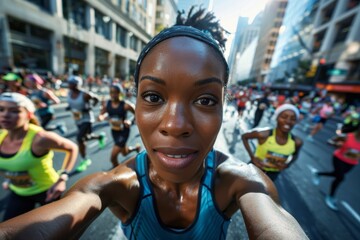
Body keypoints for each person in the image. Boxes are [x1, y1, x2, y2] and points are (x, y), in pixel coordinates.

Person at [0, 7, 308, 239]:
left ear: (224, 106)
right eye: (153, 96)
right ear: (135, 101)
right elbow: (81, 201)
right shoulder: (116, 184)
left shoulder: (242, 182)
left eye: (205, 100)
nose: (175, 125)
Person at [0, 92, 78, 221]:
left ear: (29, 114)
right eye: (1, 109)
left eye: (14, 111)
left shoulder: (40, 138)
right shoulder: (1, 135)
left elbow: (72, 148)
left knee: (57, 232)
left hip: (48, 191)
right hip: (19, 192)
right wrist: (10, 178)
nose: (5, 115)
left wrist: (62, 178)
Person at [242, 104, 303, 181]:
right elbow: (244, 137)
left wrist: (287, 165)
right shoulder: (263, 134)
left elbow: (295, 155)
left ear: (296, 122)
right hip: (254, 169)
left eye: (293, 119)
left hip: (273, 174)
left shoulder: (297, 142)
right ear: (277, 118)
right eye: (284, 117)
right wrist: (252, 157)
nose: (288, 121)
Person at [311, 124, 360, 211]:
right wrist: (337, 144)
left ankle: (318, 173)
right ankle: (330, 197)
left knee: (336, 174)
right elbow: (329, 141)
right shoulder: (347, 136)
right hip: (339, 159)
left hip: (352, 163)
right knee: (340, 178)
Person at [66, 75, 106, 172]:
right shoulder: (69, 93)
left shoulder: (84, 94)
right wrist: (69, 107)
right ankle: (99, 137)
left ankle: (85, 159)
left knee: (79, 138)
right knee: (86, 137)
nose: (69, 85)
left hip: (87, 119)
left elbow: (96, 99)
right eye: (69, 83)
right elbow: (71, 103)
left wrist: (90, 106)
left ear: (76, 85)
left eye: (71, 84)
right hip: (77, 119)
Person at [97, 84, 141, 168]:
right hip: (114, 131)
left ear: (119, 93)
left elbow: (137, 113)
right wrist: (101, 116)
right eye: (111, 92)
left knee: (113, 157)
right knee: (124, 153)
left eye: (115, 92)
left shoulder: (125, 105)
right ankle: (135, 149)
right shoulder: (107, 103)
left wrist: (130, 121)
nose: (113, 94)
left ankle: (117, 173)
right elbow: (103, 113)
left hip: (124, 131)